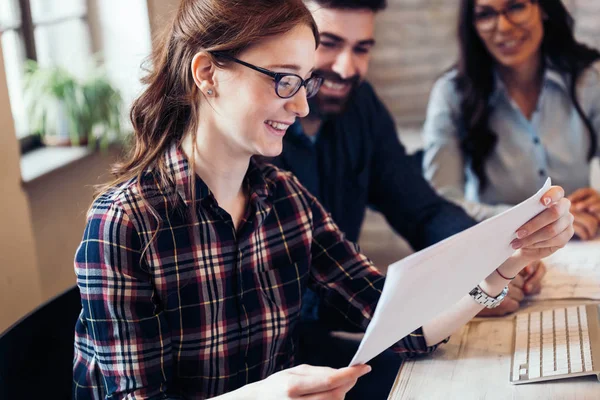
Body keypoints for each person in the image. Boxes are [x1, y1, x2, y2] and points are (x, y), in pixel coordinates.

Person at [72, 0, 573, 399]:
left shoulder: (286, 198)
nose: (303, 103)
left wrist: (506, 263)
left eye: (304, 81)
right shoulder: (126, 223)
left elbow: (397, 325)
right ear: (207, 74)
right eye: (284, 79)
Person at [270, 0, 544, 321]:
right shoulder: (257, 130)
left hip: (345, 328)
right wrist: (454, 292)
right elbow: (295, 288)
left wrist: (489, 258)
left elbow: (422, 210)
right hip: (285, 348)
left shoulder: (360, 105)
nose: (346, 69)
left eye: (361, 49)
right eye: (328, 44)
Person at [423, 0, 600, 242]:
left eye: (516, 7)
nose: (503, 27)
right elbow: (439, 203)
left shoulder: (589, 80)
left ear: (544, 9)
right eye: (485, 14)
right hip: (499, 250)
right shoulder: (451, 94)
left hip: (578, 246)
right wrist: (531, 220)